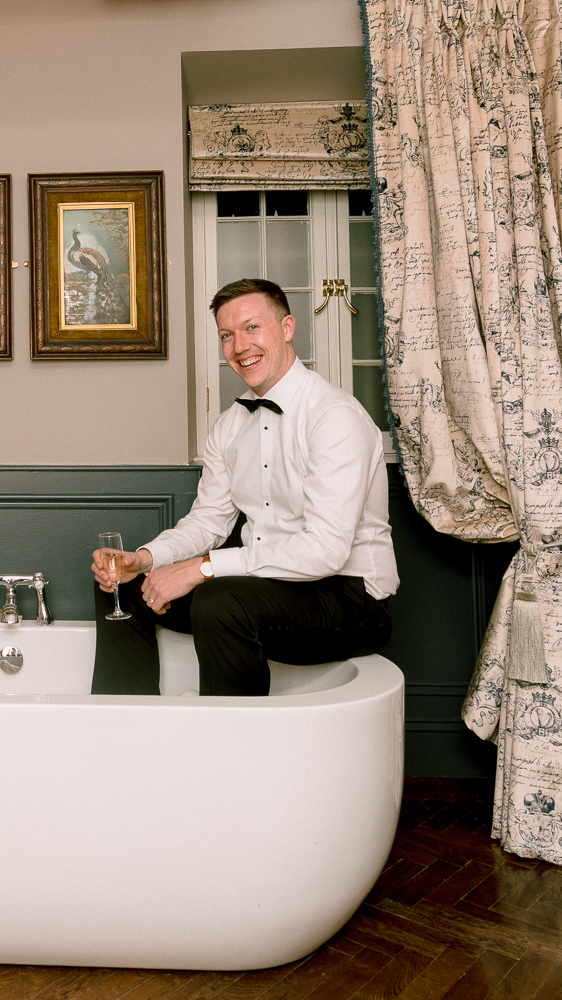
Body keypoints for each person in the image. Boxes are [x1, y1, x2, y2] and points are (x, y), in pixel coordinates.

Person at [91, 278, 398, 696]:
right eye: (226, 335)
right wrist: (145, 559)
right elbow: (209, 521)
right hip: (262, 590)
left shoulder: (335, 416)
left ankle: (232, 753)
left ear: (287, 328)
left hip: (349, 599)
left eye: (252, 328)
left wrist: (202, 569)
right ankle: (121, 732)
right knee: (121, 583)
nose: (239, 346)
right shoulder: (230, 426)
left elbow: (325, 551)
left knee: (221, 600)